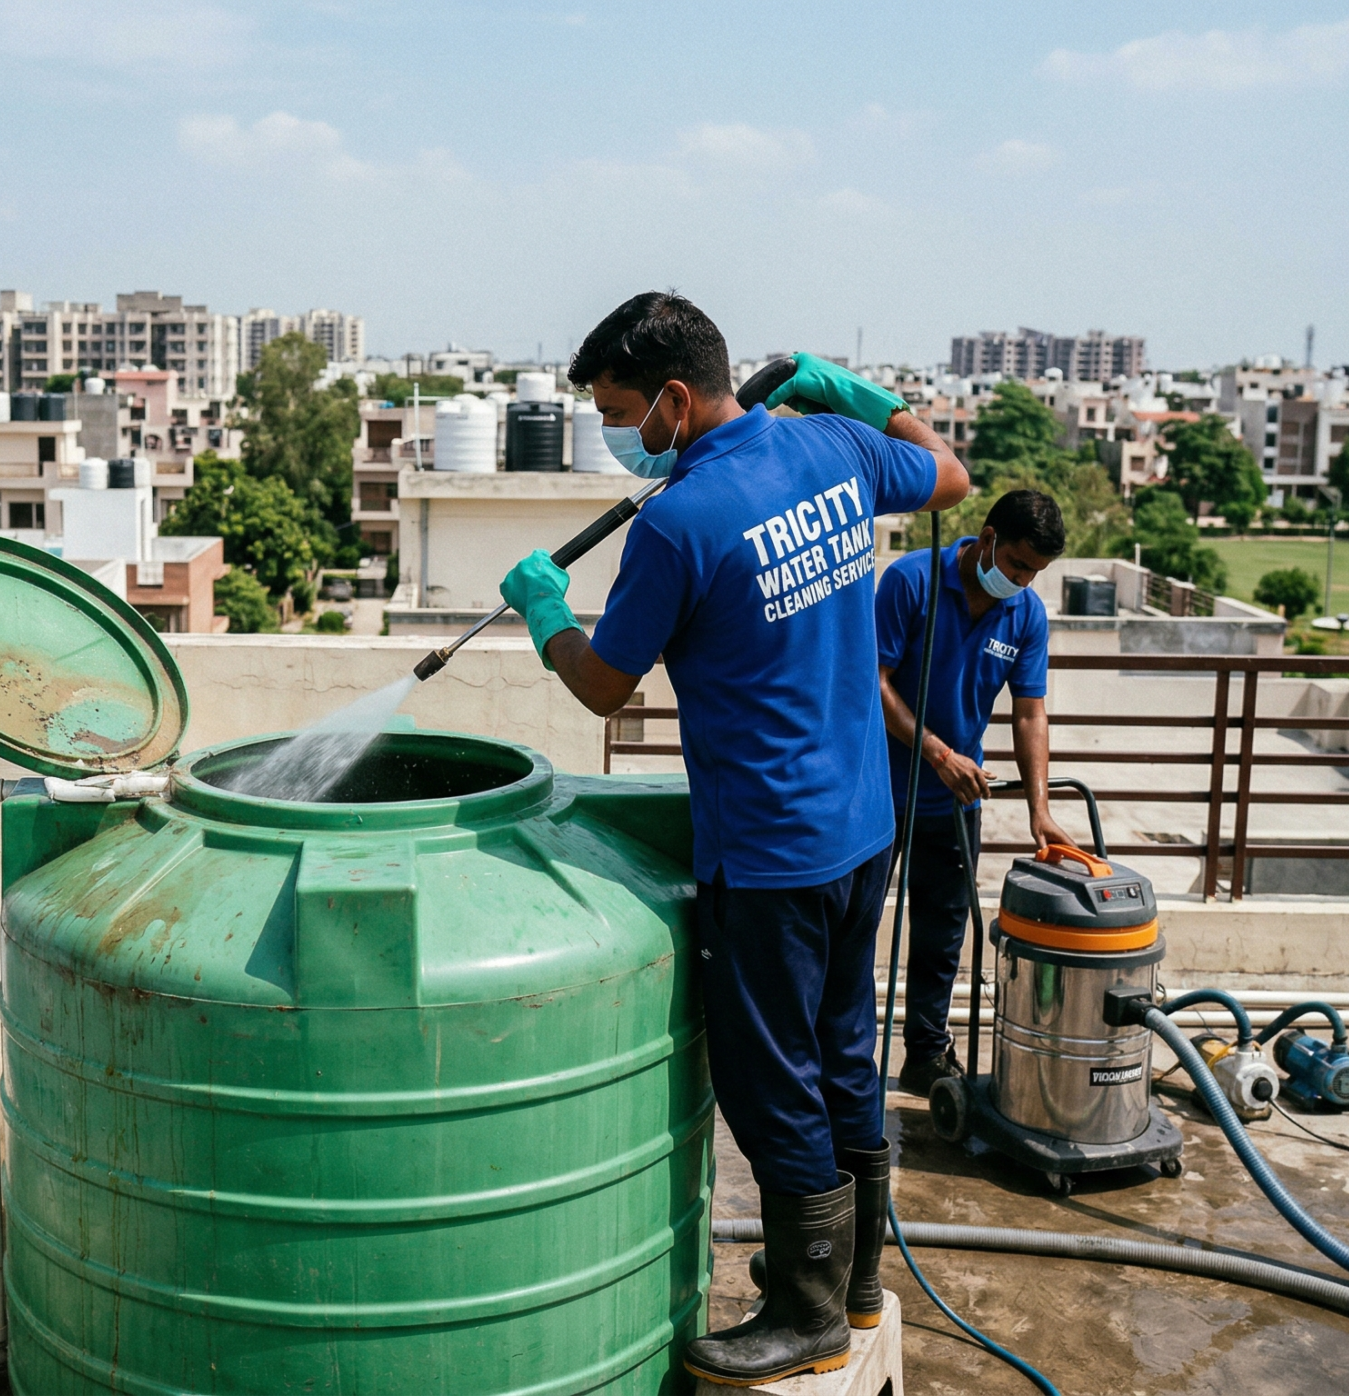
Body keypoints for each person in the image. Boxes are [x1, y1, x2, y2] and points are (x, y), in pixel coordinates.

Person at [496, 293, 969, 1386]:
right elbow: (946, 473)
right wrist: (865, 397)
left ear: (672, 398)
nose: (622, 439)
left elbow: (604, 688)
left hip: (767, 851)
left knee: (769, 1081)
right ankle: (852, 1276)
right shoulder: (832, 444)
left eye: (622, 415)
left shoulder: (678, 523)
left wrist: (543, 614)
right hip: (862, 828)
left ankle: (805, 1309)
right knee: (846, 1051)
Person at [875, 490, 1071, 1097]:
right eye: (1016, 564)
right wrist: (936, 753)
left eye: (1035, 572)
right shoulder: (910, 581)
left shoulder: (1026, 614)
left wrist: (1040, 810)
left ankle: (926, 1055)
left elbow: (1029, 714)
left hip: (955, 805)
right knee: (853, 932)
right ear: (987, 539)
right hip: (876, 794)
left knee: (941, 939)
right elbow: (870, 681)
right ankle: (847, 1056)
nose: (1022, 580)